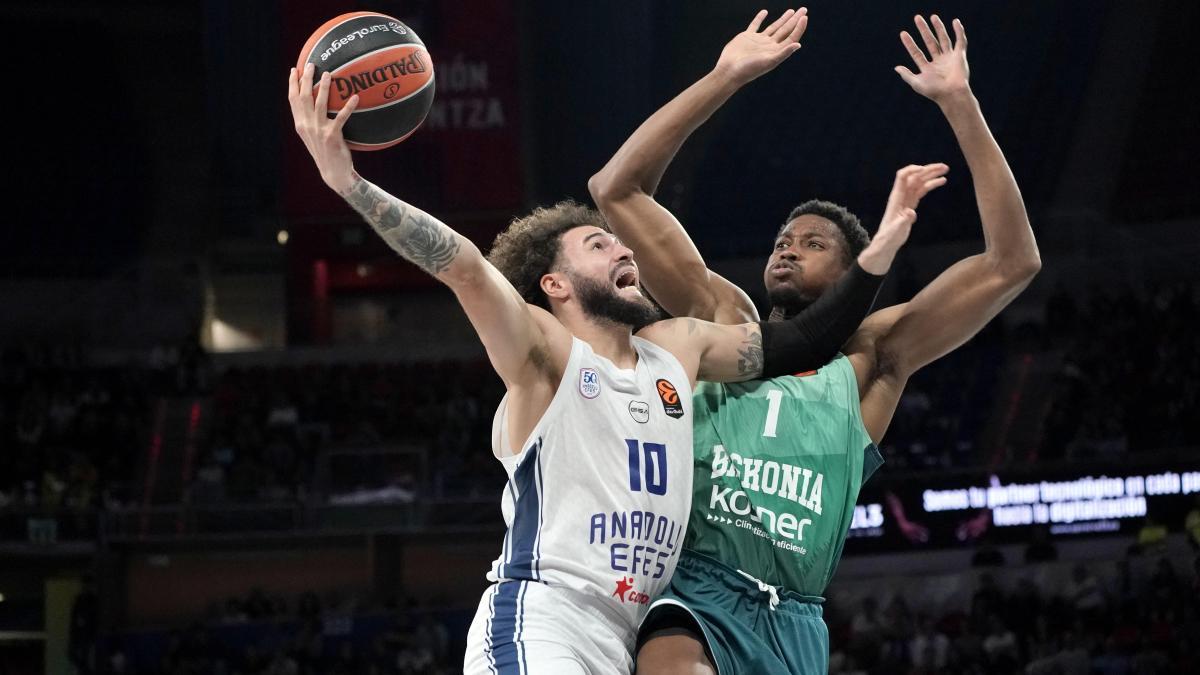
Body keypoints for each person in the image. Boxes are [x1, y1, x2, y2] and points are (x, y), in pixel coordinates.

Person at [286, 31, 912, 673]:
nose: (624, 250)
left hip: (625, 635)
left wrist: (875, 258)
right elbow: (467, 269)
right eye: (597, 245)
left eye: (617, 243)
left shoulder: (678, 350)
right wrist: (351, 185)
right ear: (553, 285)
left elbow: (803, 342)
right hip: (543, 619)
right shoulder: (545, 356)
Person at [588, 10, 1041, 674]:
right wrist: (723, 77)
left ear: (856, 267)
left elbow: (1013, 263)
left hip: (796, 619)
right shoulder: (722, 317)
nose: (787, 250)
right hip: (696, 588)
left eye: (812, 242)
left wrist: (960, 103)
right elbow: (615, 189)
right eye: (782, 241)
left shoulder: (872, 358)